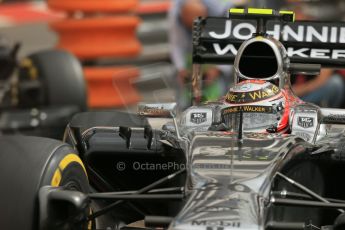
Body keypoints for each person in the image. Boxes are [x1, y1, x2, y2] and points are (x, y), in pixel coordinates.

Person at [168, 0, 235, 109]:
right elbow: (176, 44)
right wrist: (180, 69)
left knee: (219, 95)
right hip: (189, 56)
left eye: (197, 26)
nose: (194, 30)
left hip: (217, 50)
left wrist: (218, 68)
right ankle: (184, 111)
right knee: (182, 87)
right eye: (190, 25)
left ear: (206, 14)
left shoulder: (223, 11)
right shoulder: (175, 13)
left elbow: (230, 43)